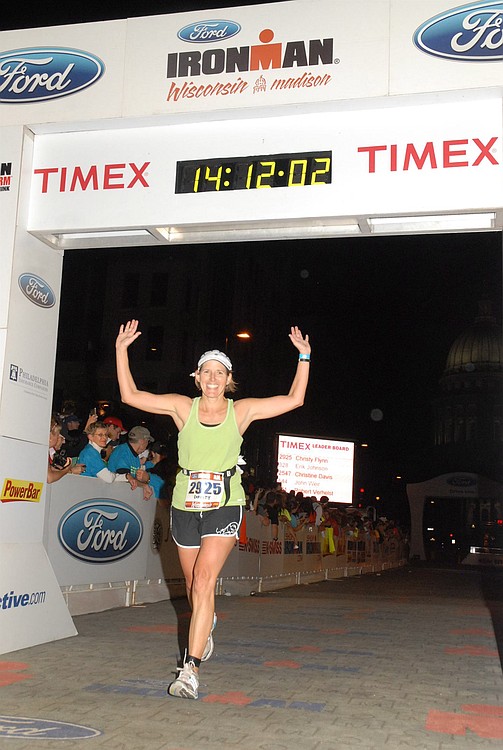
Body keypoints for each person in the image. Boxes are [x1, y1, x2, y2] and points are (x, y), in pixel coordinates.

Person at [115, 319, 311, 700]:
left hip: (225, 504)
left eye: (219, 373)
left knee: (204, 582)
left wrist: (304, 356)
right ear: (197, 377)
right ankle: (207, 624)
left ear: (228, 380)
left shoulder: (242, 412)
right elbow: (131, 395)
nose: (213, 378)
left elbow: (293, 400)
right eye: (207, 372)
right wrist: (122, 350)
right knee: (192, 586)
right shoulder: (181, 407)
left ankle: (190, 668)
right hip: (185, 505)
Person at [77, 421, 138, 489]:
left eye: (106, 435)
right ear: (90, 437)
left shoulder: (92, 451)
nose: (104, 438)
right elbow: (108, 478)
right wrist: (123, 476)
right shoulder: (90, 453)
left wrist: (126, 476)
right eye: (100, 435)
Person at [107, 425, 154, 500]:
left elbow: (132, 480)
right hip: (114, 497)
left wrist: (145, 481)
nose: (147, 445)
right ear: (143, 441)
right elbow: (125, 478)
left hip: (122, 497)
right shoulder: (123, 452)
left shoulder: (134, 456)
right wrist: (144, 485)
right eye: (148, 441)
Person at [48, 416, 85, 483]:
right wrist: (68, 469)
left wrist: (70, 469)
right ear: (50, 436)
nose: (64, 442)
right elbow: (49, 478)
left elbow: (53, 470)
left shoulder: (48, 453)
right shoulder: (42, 452)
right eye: (57, 435)